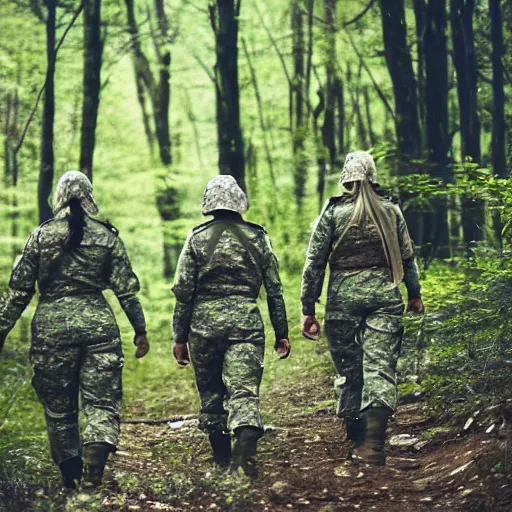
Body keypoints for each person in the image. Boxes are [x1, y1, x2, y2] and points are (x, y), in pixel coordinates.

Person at [0, 171, 149, 489]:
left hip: (53, 332)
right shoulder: (107, 237)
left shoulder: (41, 236)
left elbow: (18, 291)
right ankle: (93, 475)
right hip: (99, 329)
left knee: (59, 409)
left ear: (59, 196)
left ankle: (72, 479)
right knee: (102, 404)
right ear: (88, 197)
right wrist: (140, 330)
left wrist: (1, 330)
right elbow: (126, 291)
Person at [300, 151, 424, 465]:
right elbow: (408, 259)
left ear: (346, 178)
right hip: (385, 296)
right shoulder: (391, 209)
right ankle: (373, 445)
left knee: (349, 368)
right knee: (380, 368)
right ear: (372, 175)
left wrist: (308, 307)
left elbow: (314, 265)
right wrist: (414, 295)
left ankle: (356, 436)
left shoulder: (332, 214)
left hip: (343, 300)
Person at [171, 175, 290, 476]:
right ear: (238, 202)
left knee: (211, 394)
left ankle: (223, 460)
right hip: (246, 325)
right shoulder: (258, 238)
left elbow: (183, 292)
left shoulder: (196, 239)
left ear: (209, 204)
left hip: (204, 327)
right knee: (244, 391)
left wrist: (179, 336)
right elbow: (274, 290)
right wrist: (282, 333)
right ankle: (245, 447)